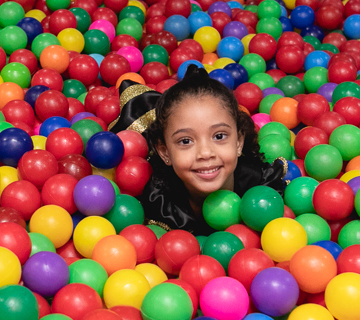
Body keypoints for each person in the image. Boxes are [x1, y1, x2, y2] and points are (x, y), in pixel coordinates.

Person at [111, 64, 288, 235]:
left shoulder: (259, 183)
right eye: (186, 141)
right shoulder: (162, 202)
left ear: (238, 142)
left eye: (219, 136)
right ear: (165, 152)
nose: (205, 153)